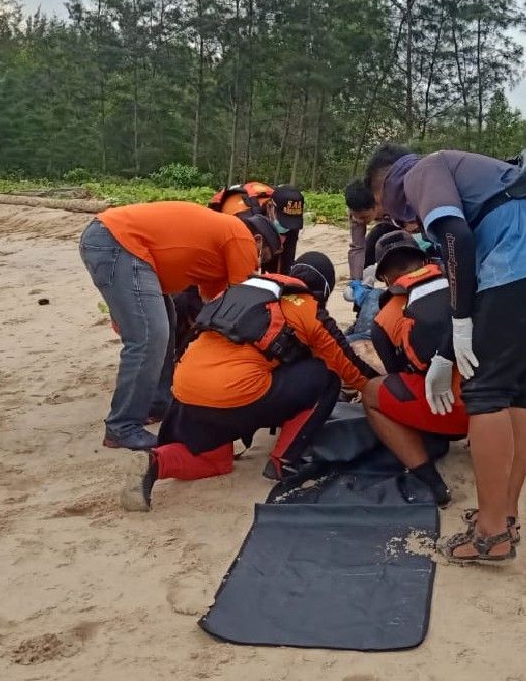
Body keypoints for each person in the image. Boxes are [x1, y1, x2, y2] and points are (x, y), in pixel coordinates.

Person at [366, 144, 526, 563]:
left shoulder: (422, 171)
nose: (393, 216)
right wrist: (446, 353)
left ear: (386, 184)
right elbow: (469, 274)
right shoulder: (477, 172)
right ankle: (505, 514)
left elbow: (456, 238)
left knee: (487, 393)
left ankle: (491, 533)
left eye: (381, 205)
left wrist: (460, 320)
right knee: (521, 391)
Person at [129, 252, 377, 510]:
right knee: (326, 379)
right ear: (323, 290)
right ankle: (283, 462)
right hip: (235, 392)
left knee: (217, 461)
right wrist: (379, 389)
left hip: (186, 389)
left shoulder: (238, 291)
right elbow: (348, 367)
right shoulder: (307, 307)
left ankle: (155, 462)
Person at [79, 202, 280, 450]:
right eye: (263, 257)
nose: (257, 264)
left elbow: (215, 309)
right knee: (150, 336)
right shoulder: (242, 237)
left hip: (123, 245)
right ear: (257, 241)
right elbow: (245, 303)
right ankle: (122, 426)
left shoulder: (218, 251)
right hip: (119, 242)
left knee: (166, 324)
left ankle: (157, 404)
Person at [362, 231, 466, 507]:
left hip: (451, 410)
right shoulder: (465, 285)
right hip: (496, 405)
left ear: (384, 278)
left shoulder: (383, 320)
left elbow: (400, 377)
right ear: (425, 260)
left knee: (372, 393)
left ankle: (431, 482)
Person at [210, 181, 304, 273]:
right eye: (283, 221)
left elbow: (287, 258)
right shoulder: (244, 220)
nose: (287, 227)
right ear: (270, 207)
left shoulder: (292, 219)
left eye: (291, 222)